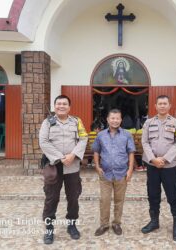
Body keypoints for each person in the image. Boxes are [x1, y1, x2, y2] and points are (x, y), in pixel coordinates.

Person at [39, 95, 88, 244]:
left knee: (73, 197)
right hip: (54, 166)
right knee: (51, 198)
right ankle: (49, 229)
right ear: (55, 106)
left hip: (72, 166)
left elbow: (84, 138)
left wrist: (73, 155)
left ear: (69, 107)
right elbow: (43, 142)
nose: (61, 106)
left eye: (64, 104)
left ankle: (71, 225)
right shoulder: (47, 122)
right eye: (59, 103)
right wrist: (61, 157)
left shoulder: (76, 121)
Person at [141, 95, 176, 242]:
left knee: (174, 195)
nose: (162, 106)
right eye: (160, 103)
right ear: (155, 106)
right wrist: (153, 159)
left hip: (169, 166)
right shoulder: (148, 122)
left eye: (165, 103)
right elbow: (144, 142)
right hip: (152, 165)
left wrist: (165, 159)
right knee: (152, 194)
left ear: (169, 105)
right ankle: (154, 221)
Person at [92, 109, 135, 236]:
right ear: (108, 119)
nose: (115, 120)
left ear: (121, 120)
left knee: (119, 200)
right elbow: (96, 151)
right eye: (112, 118)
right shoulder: (101, 135)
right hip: (105, 173)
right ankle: (104, 224)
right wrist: (97, 166)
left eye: (117, 118)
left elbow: (131, 152)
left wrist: (130, 169)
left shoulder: (127, 135)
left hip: (121, 173)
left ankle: (116, 223)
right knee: (104, 200)